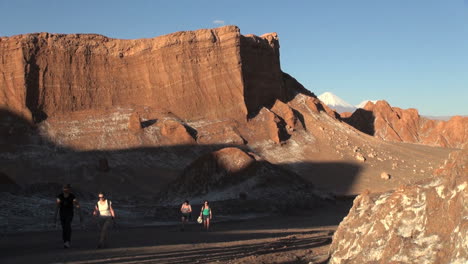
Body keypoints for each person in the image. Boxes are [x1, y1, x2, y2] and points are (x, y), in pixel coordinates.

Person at [54, 184, 82, 248]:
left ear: (69, 189)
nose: (65, 189)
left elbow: (77, 205)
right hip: (62, 214)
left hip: (69, 214)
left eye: (66, 188)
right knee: (64, 228)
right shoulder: (60, 196)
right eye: (64, 188)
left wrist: (80, 214)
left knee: (67, 226)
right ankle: (65, 242)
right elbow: (57, 206)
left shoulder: (72, 196)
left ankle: (67, 241)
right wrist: (55, 216)